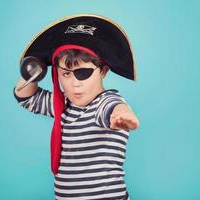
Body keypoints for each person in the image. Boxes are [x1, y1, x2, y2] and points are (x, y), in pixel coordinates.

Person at [13, 14, 139, 200]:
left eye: (83, 73)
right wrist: (36, 66)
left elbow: (114, 107)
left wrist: (122, 116)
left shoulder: (104, 102)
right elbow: (24, 96)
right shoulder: (62, 103)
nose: (74, 84)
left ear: (103, 71)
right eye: (65, 74)